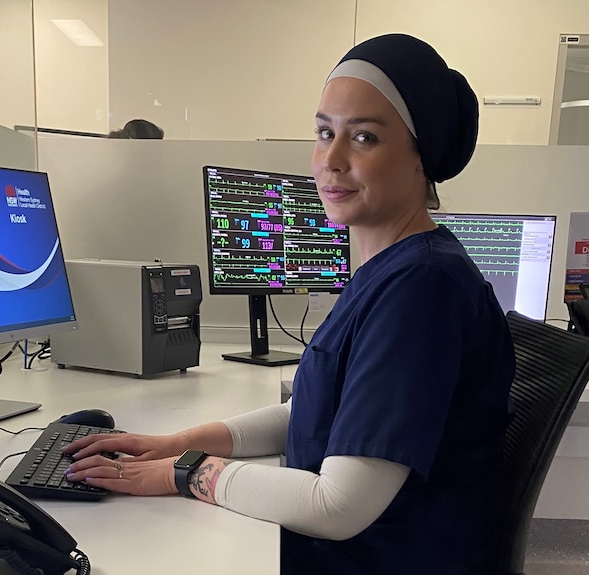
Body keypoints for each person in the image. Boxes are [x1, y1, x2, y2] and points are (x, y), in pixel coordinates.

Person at [62, 33, 515, 575]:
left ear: (424, 156)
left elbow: (338, 506)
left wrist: (183, 474)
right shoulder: (392, 269)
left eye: (365, 137)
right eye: (324, 133)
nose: (331, 160)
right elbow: (316, 414)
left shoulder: (421, 289)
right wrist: (179, 443)